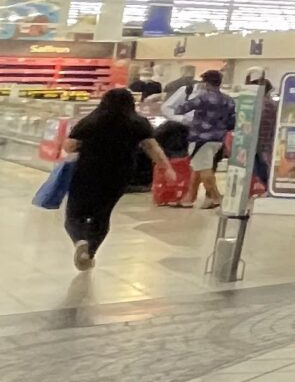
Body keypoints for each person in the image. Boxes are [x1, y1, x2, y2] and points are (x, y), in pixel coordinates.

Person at [59, 88, 173, 270]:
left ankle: (80, 241)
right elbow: (152, 148)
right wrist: (167, 168)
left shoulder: (91, 121)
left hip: (87, 172)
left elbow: (70, 146)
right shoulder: (138, 123)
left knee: (74, 214)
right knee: (102, 215)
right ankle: (90, 252)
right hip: (119, 175)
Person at [179, 69, 236, 208]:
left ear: (205, 83)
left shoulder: (202, 98)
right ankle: (189, 198)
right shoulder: (228, 100)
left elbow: (181, 109)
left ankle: (216, 197)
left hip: (200, 138)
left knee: (204, 169)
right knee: (198, 167)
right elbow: (232, 122)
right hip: (218, 139)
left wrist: (188, 95)